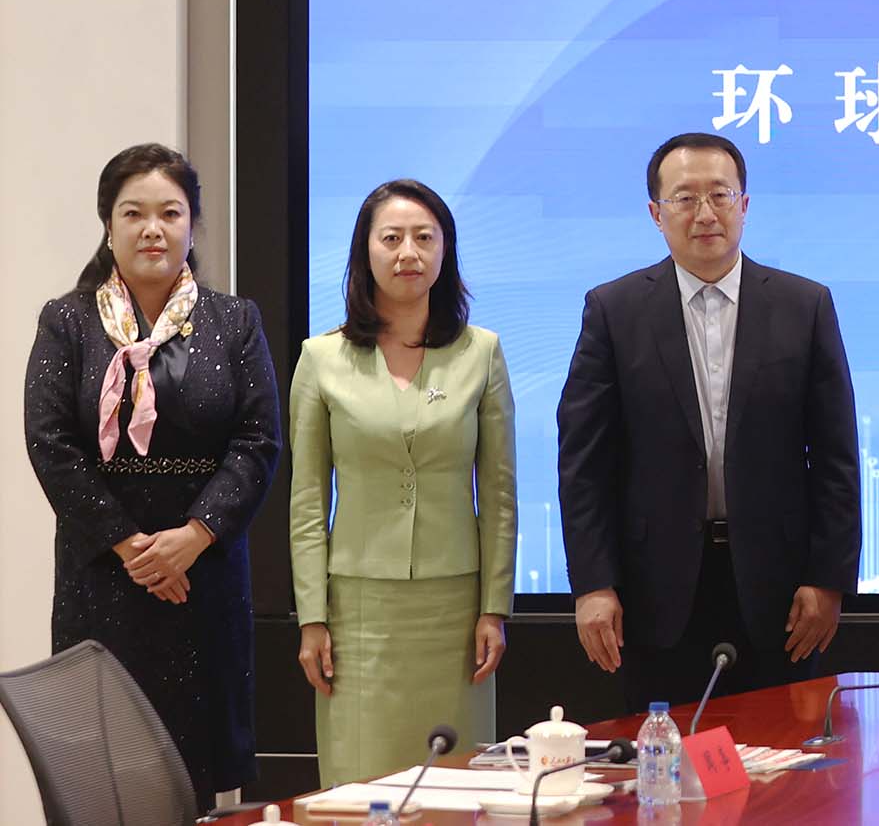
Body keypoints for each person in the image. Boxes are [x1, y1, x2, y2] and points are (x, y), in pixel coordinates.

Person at [557, 132, 861, 709]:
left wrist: (829, 579)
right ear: (656, 213)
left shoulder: (804, 305)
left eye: (720, 196)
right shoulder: (614, 310)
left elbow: (835, 457)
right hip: (654, 592)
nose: (704, 214)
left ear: (744, 204)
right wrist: (593, 584)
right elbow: (584, 463)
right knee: (664, 770)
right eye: (684, 199)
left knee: (787, 770)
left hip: (780, 590)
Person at [21, 144, 280, 798]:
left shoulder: (235, 320)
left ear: (193, 223)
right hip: (104, 574)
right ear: (109, 225)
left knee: (200, 774)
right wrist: (130, 544)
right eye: (133, 212)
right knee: (106, 776)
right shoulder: (68, 321)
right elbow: (51, 443)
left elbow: (258, 441)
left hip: (205, 574)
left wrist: (192, 537)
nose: (152, 228)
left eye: (170, 211)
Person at [288, 179, 515, 784]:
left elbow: (497, 496)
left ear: (446, 251)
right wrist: (313, 616)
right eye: (391, 238)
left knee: (457, 781)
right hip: (358, 608)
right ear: (366, 251)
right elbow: (308, 502)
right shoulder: (321, 358)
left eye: (424, 237)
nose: (408, 253)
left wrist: (494, 608)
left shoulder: (482, 353)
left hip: (455, 606)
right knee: (363, 778)